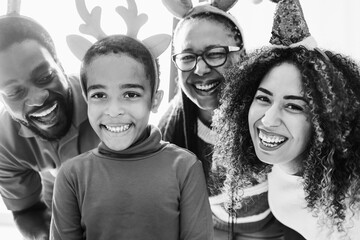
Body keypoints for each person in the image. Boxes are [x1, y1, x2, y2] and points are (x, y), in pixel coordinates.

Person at [212, 0, 360, 239]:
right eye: (263, 98)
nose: (268, 120)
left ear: (325, 118)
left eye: (292, 106)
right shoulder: (275, 171)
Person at [159, 1, 303, 239]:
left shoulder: (268, 115)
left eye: (215, 54)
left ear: (242, 55)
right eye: (187, 57)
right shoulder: (170, 129)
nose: (201, 69)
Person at [50, 34, 213, 240]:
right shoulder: (71, 176)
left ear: (154, 100)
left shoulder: (185, 167)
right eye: (99, 95)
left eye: (131, 94)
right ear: (87, 100)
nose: (114, 110)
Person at [0, 14, 100, 239]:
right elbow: (27, 210)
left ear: (60, 65)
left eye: (45, 76)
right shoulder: (4, 141)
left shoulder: (104, 101)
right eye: (15, 92)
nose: (37, 98)